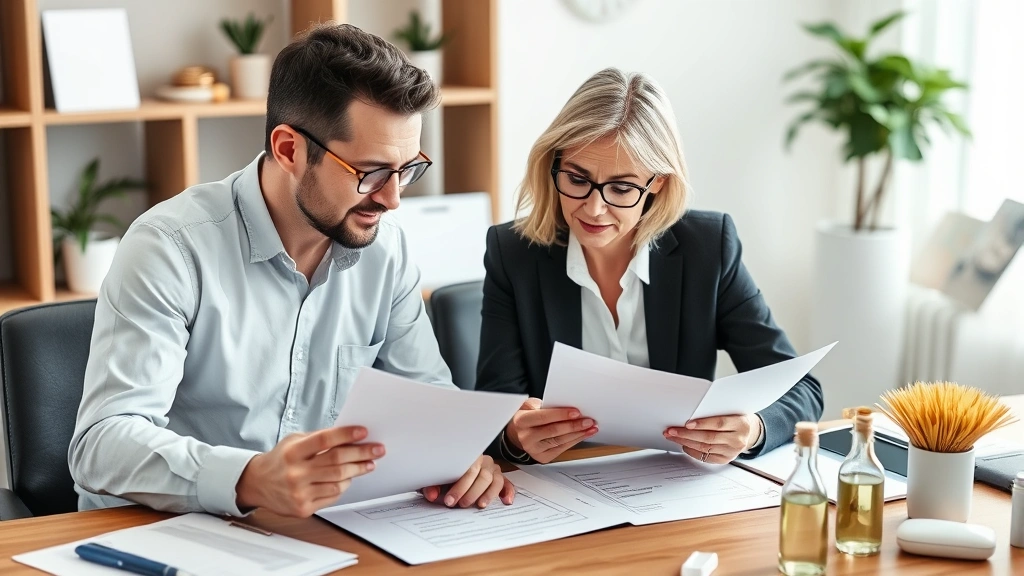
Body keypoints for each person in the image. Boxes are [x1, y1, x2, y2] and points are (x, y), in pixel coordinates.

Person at [69, 24, 513, 518]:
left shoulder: (385, 250)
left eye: (407, 169)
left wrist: (462, 457)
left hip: (317, 532)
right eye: (371, 173)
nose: (392, 199)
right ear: (288, 150)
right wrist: (251, 478)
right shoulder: (171, 247)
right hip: (164, 532)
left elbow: (431, 406)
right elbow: (101, 446)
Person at [476, 68, 823, 465]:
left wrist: (753, 429)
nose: (593, 208)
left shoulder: (708, 248)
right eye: (576, 179)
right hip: (563, 483)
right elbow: (494, 409)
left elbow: (803, 390)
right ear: (554, 164)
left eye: (621, 188)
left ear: (658, 182)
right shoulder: (513, 252)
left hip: (673, 486)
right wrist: (516, 436)